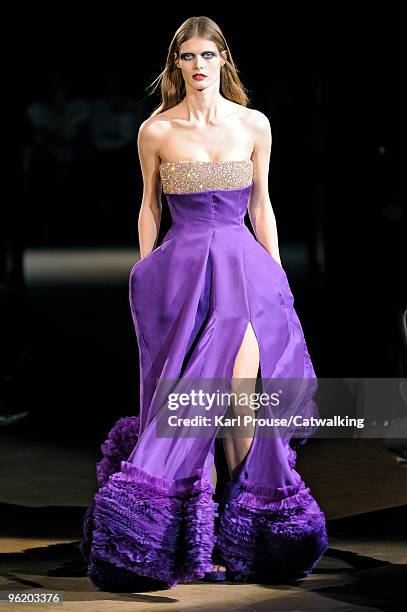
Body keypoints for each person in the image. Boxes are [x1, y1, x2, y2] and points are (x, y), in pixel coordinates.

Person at [80, 16, 328, 591]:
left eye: (207, 57)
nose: (198, 67)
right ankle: (191, 539)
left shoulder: (254, 125)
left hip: (245, 274)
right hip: (181, 276)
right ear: (177, 65)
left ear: (223, 61)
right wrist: (146, 271)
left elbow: (262, 206)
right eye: (187, 57)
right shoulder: (156, 131)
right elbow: (149, 208)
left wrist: (279, 275)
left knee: (238, 401)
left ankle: (253, 539)